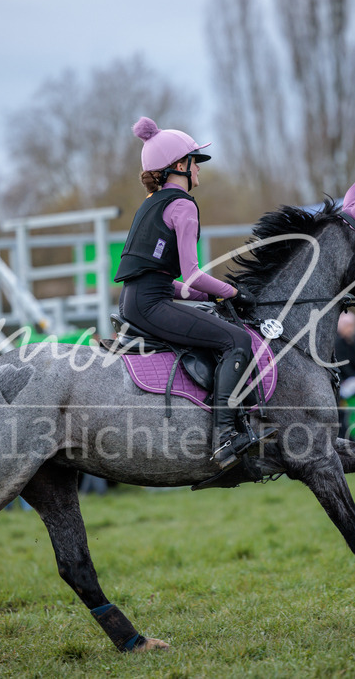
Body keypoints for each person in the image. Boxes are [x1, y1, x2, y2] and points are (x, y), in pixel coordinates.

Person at [114, 117, 259, 471]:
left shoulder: (150, 204)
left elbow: (165, 279)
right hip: (151, 304)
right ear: (180, 166)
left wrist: (210, 298)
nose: (199, 171)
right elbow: (193, 273)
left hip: (137, 300)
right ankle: (225, 437)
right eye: (196, 163)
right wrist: (232, 291)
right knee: (236, 340)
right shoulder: (183, 205)